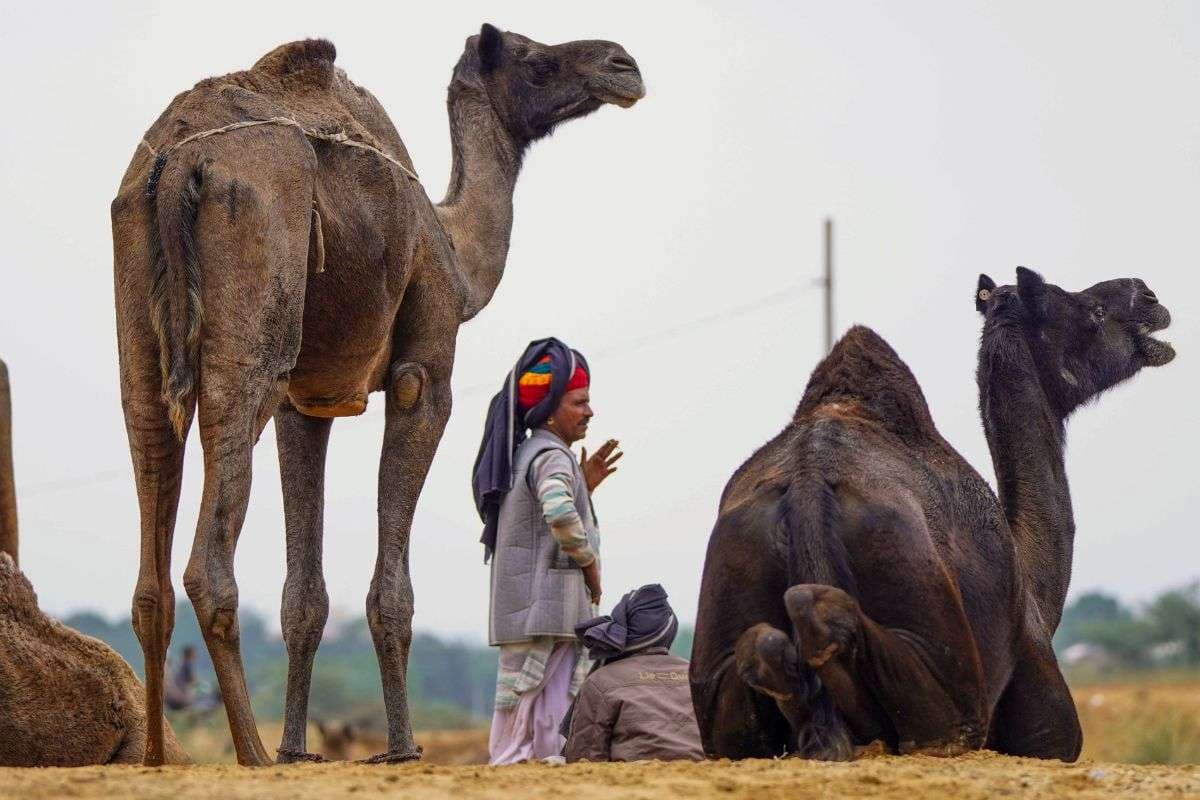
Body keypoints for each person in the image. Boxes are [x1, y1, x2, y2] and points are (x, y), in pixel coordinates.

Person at [472, 337, 623, 765]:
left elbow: (549, 510)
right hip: (549, 608)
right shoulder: (553, 457)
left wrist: (585, 485)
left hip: (530, 608)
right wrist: (590, 565)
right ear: (551, 408)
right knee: (546, 716)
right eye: (579, 402)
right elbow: (557, 511)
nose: (589, 412)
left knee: (520, 708)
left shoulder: (531, 452)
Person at [564, 584, 704, 762]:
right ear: (669, 631)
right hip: (703, 778)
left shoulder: (600, 680)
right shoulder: (696, 675)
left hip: (634, 783)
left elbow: (584, 757)